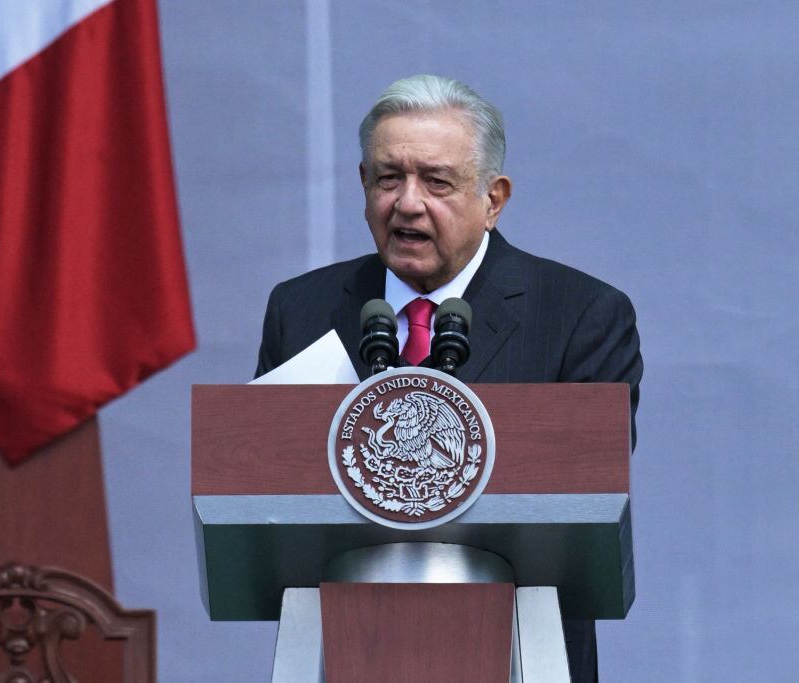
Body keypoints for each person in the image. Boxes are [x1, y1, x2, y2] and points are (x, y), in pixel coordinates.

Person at [255, 74, 642, 682]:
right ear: (363, 184)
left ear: (494, 198)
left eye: (437, 182)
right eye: (389, 178)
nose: (408, 203)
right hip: (346, 650)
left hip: (518, 652)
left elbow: (590, 486)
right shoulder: (301, 310)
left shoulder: (580, 314)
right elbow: (262, 492)